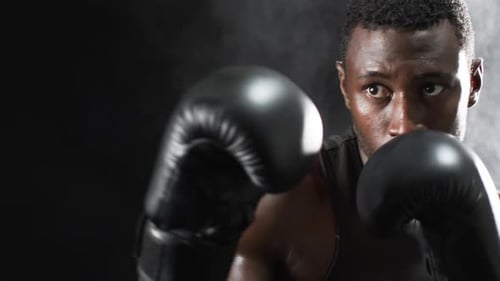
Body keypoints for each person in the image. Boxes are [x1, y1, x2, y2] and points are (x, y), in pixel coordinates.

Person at [135, 0, 500, 280]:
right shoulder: (292, 209)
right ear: (345, 87)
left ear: (474, 83)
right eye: (375, 89)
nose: (403, 124)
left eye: (431, 88)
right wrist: (170, 255)